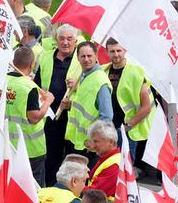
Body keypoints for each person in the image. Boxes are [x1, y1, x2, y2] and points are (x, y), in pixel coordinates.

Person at [38, 25, 81, 185]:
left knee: (72, 161)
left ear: (76, 40)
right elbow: (38, 83)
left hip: (72, 118)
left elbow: (92, 85)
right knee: (51, 158)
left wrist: (77, 85)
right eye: (62, 38)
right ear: (56, 40)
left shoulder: (82, 58)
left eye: (69, 39)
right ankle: (51, 190)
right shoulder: (45, 57)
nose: (65, 42)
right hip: (50, 116)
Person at [8, 46, 56, 185]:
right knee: (34, 188)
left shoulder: (5, 82)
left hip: (9, 145)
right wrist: (48, 101)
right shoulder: (29, 87)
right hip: (31, 148)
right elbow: (34, 117)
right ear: (32, 64)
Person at [103, 38, 152, 158]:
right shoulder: (103, 70)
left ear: (125, 50)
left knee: (125, 172)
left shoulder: (136, 72)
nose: (116, 54)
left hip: (124, 130)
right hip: (106, 128)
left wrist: (128, 126)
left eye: (119, 50)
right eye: (112, 51)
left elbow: (146, 107)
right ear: (107, 52)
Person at [63, 42, 112, 153]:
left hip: (90, 146)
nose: (86, 59)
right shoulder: (84, 76)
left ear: (96, 56)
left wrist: (95, 141)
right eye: (83, 56)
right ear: (78, 58)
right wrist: (70, 105)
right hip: (78, 141)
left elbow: (106, 117)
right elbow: (86, 105)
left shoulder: (100, 81)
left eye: (89, 56)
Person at [84, 121, 119, 197]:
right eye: (92, 141)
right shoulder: (108, 158)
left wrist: (72, 187)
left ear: (111, 142)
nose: (92, 146)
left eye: (96, 141)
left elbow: (94, 194)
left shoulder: (114, 165)